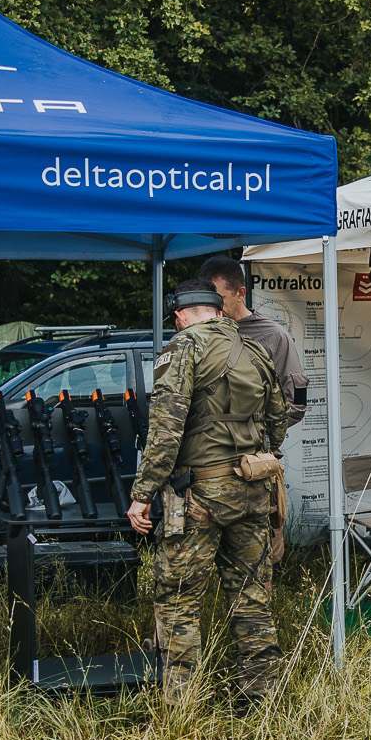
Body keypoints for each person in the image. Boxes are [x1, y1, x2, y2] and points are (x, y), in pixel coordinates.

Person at [126, 277, 290, 707]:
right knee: (252, 597)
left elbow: (165, 431)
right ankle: (261, 697)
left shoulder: (182, 349)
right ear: (218, 311)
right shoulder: (255, 350)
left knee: (179, 600)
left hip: (200, 495)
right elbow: (279, 422)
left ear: (179, 316)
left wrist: (142, 494)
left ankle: (182, 703)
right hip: (254, 489)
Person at [200, 254, 304, 563]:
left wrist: (259, 437)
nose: (213, 308)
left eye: (218, 298)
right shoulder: (200, 335)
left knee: (259, 565)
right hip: (208, 472)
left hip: (255, 472)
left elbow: (296, 403)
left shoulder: (273, 337)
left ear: (240, 292)